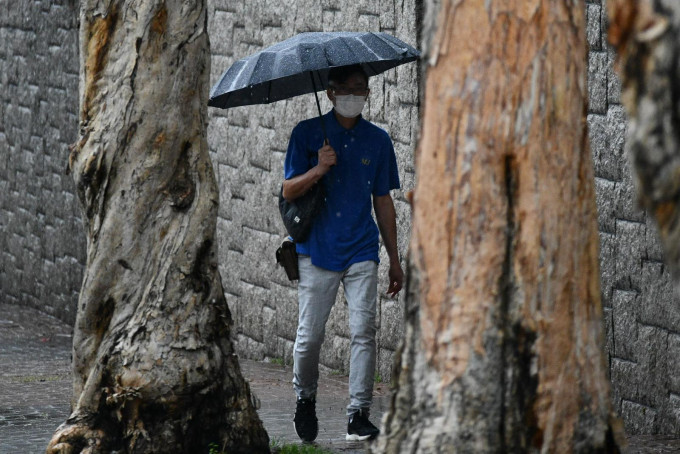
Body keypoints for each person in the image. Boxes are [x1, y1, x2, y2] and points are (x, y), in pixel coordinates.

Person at [281, 64, 404, 443]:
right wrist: (319, 168)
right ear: (331, 92)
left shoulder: (378, 141)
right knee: (309, 338)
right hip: (316, 250)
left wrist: (395, 259)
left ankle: (358, 415)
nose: (355, 95)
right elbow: (288, 190)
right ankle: (305, 397)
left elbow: (382, 201)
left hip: (361, 249)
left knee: (364, 331)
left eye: (361, 89)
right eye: (347, 89)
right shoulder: (306, 134)